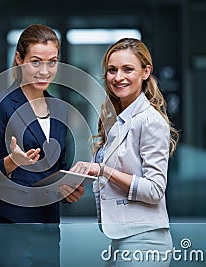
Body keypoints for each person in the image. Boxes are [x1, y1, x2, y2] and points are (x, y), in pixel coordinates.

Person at [0, 24, 84, 267]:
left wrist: (67, 190)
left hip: (47, 229)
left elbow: (56, 171)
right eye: (35, 62)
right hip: (7, 228)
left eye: (52, 62)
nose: (45, 71)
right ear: (19, 59)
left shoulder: (60, 109)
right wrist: (12, 162)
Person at [70, 38, 179, 266]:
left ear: (146, 72)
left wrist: (103, 170)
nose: (118, 77)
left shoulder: (150, 121)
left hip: (146, 242)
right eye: (112, 70)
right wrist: (75, 182)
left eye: (128, 69)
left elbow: (155, 189)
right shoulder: (117, 119)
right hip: (123, 239)